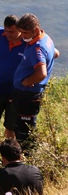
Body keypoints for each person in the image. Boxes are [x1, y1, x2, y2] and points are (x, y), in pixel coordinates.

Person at [12, 13, 60, 150]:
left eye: (25, 33)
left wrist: (27, 81)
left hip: (27, 95)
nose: (22, 36)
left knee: (23, 131)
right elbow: (56, 53)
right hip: (31, 94)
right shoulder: (46, 38)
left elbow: (41, 73)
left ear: (36, 30)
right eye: (20, 32)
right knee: (26, 127)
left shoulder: (37, 48)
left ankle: (27, 157)